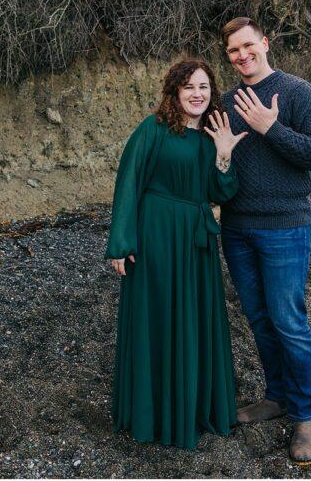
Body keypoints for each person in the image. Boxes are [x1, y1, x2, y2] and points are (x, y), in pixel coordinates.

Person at [106, 58, 247, 449]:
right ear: (175, 91)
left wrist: (223, 153)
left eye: (203, 87)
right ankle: (152, 414)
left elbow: (222, 194)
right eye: (189, 87)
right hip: (154, 236)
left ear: (211, 92)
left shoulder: (211, 135)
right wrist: (121, 242)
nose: (197, 94)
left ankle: (192, 408)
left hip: (195, 242)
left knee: (193, 318)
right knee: (156, 316)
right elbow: (128, 183)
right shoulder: (152, 130)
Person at [217, 17, 311, 466]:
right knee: (259, 319)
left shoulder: (298, 92)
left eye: (248, 46)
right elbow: (219, 164)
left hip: (286, 225)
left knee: (289, 321)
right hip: (237, 227)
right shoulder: (226, 102)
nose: (242, 55)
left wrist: (271, 127)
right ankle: (276, 396)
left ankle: (307, 416)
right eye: (233, 51)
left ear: (264, 44)